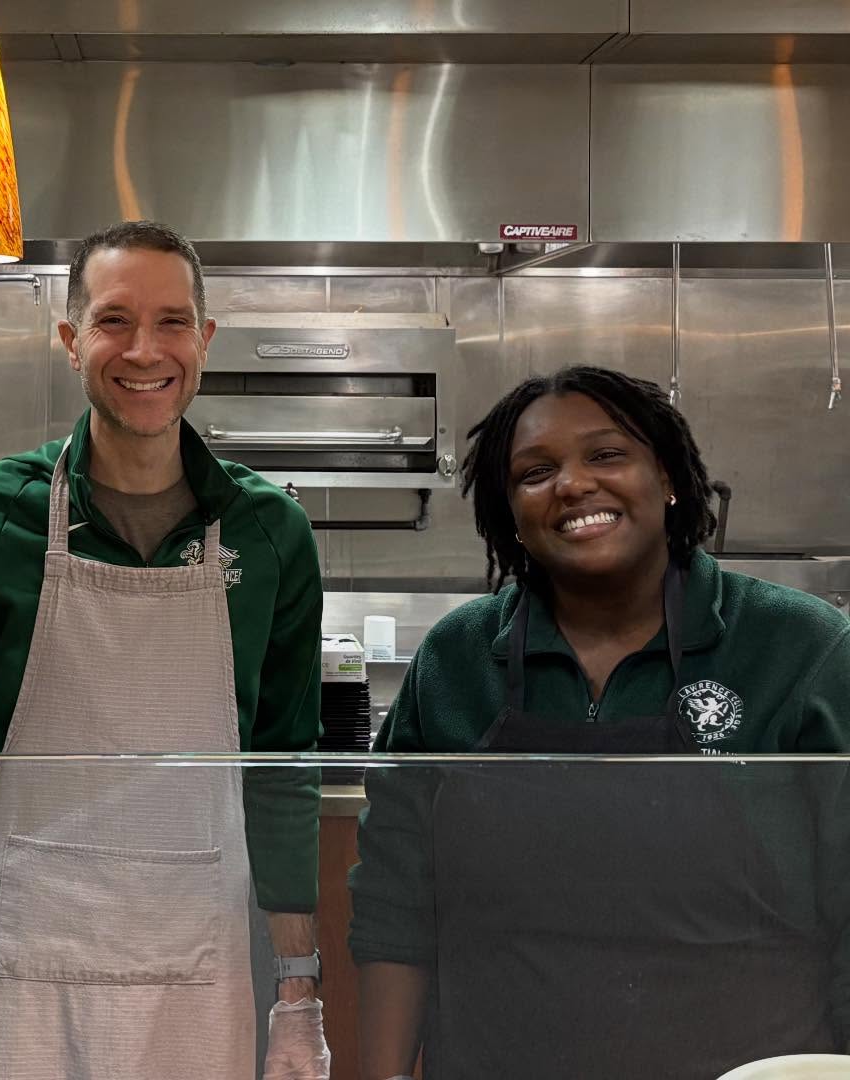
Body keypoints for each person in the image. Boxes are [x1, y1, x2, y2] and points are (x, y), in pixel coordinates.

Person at [0, 221, 329, 1080]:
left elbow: (282, 769)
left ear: (205, 341)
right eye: (113, 321)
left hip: (194, 977)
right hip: (7, 973)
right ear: (70, 341)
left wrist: (300, 996)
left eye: (173, 322)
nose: (145, 350)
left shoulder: (272, 537)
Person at [349, 365, 850, 1080]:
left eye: (607, 455)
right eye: (535, 471)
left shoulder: (799, 647)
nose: (573, 484)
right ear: (508, 513)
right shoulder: (458, 659)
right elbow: (395, 906)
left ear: (670, 478)